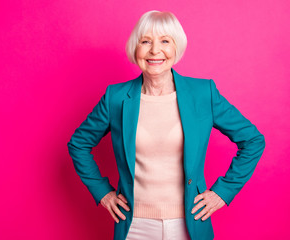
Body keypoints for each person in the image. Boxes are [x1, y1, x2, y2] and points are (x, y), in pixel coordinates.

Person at [67, 10, 265, 240]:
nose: (154, 50)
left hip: (190, 223)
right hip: (134, 226)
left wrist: (223, 191)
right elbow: (79, 144)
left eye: (164, 41)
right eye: (145, 41)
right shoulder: (116, 97)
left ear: (176, 48)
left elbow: (252, 140)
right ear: (136, 48)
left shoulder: (203, 93)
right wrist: (103, 193)